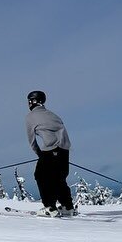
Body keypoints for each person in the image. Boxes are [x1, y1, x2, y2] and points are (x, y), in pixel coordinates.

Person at [25, 90, 75, 218]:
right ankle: (67, 207)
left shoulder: (30, 117)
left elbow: (32, 141)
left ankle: (49, 207)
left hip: (50, 149)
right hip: (64, 149)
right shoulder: (53, 115)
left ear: (32, 102)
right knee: (59, 178)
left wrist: (40, 154)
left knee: (41, 176)